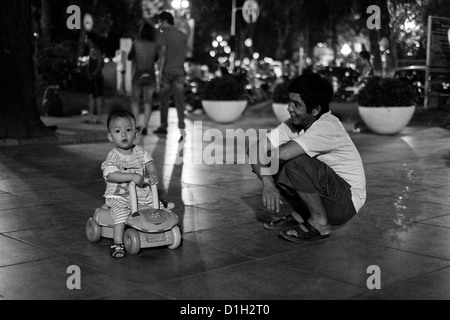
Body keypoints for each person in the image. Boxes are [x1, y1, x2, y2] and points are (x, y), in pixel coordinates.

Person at [249, 73, 366, 243]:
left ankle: (320, 224)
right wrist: (267, 183)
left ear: (315, 110)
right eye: (290, 101)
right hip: (329, 193)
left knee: (294, 163)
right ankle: (302, 213)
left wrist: (265, 162)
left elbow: (281, 155)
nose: (289, 108)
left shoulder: (327, 126)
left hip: (345, 202)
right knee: (266, 160)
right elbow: (255, 149)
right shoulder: (295, 122)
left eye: (296, 105)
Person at [101, 110, 160, 258]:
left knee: (156, 206)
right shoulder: (113, 157)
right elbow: (111, 175)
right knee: (121, 214)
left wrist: (152, 174)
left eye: (128, 130)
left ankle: (160, 230)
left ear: (136, 133)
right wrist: (131, 176)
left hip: (140, 194)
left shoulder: (140, 151)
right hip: (120, 196)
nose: (123, 134)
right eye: (117, 131)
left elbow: (150, 163)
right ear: (110, 136)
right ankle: (118, 243)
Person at [153, 11, 188, 142]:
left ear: (164, 21)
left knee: (164, 102)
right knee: (180, 102)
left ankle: (163, 126)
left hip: (167, 72)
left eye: (160, 22)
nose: (159, 25)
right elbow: (184, 52)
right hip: (179, 72)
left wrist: (160, 74)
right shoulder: (183, 36)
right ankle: (182, 128)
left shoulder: (162, 36)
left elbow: (162, 56)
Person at [128, 23, 166, 136]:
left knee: (135, 101)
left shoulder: (135, 43)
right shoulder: (154, 45)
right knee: (148, 102)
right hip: (150, 77)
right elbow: (155, 60)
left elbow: (130, 57)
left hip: (137, 76)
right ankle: (145, 126)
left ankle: (136, 124)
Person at [84, 33, 104, 124]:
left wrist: (95, 72)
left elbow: (100, 61)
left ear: (90, 40)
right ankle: (90, 117)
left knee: (97, 97)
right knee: (91, 96)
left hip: (96, 77)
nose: (85, 40)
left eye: (86, 38)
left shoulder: (95, 49)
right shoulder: (91, 49)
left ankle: (99, 118)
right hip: (92, 77)